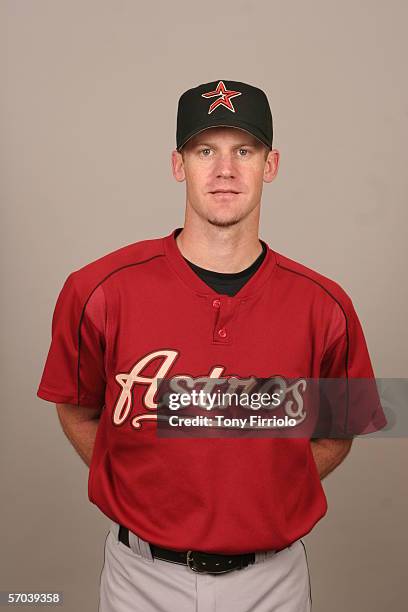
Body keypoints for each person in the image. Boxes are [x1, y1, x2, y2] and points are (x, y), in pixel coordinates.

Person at [37, 79, 387, 612]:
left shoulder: (325, 304)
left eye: (243, 151)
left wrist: (268, 483)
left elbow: (340, 430)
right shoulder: (98, 290)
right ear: (179, 165)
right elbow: (76, 406)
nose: (225, 170)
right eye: (206, 150)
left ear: (270, 165)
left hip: (273, 580)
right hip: (141, 577)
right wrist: (142, 484)